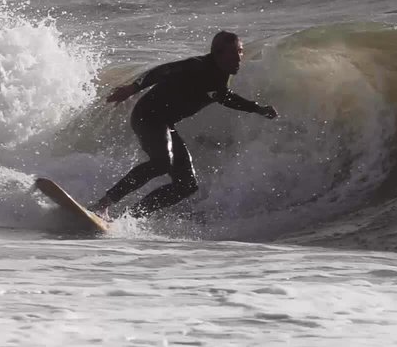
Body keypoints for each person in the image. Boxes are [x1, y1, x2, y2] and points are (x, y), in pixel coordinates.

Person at [89, 31, 278, 218]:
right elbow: (161, 71)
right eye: (233, 53)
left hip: (165, 123)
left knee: (186, 185)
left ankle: (130, 217)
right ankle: (102, 205)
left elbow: (226, 98)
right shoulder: (197, 66)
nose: (238, 58)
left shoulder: (221, 77)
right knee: (161, 163)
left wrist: (257, 108)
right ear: (218, 54)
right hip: (148, 116)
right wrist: (133, 88)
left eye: (241, 52)